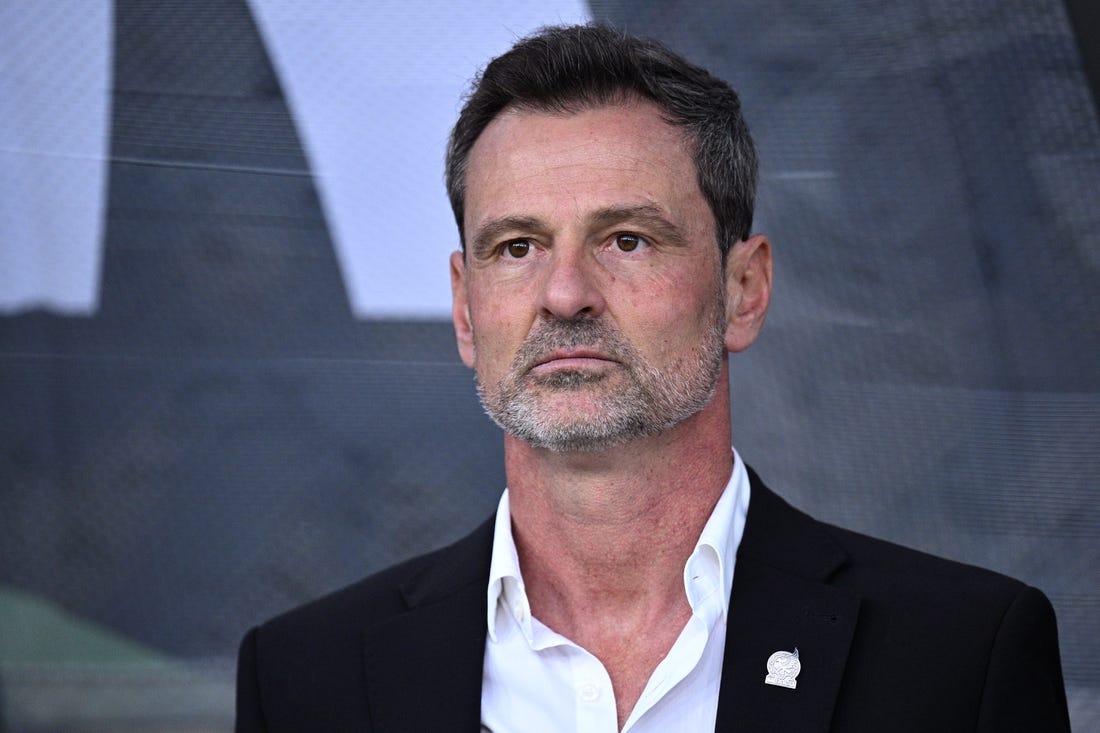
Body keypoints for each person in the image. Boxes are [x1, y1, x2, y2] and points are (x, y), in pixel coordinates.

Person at [235, 24, 1069, 732]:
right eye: (517, 247)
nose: (564, 295)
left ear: (744, 290)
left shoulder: (960, 660)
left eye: (627, 239)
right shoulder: (308, 679)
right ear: (464, 307)